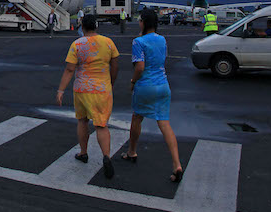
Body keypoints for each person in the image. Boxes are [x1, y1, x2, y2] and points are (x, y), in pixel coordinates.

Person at [123, 9, 183, 183]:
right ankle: (176, 163)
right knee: (164, 124)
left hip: (145, 86)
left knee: (137, 119)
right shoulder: (162, 40)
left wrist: (133, 81)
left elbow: (140, 67)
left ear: (143, 22)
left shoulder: (138, 42)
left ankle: (132, 151)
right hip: (163, 85)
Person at [56, 14, 120, 179]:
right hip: (102, 89)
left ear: (82, 27)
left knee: (82, 120)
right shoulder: (108, 43)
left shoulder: (77, 44)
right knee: (101, 125)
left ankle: (83, 153)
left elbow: (70, 69)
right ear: (96, 26)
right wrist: (110, 83)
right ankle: (106, 155)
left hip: (82, 89)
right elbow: (115, 65)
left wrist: (61, 90)